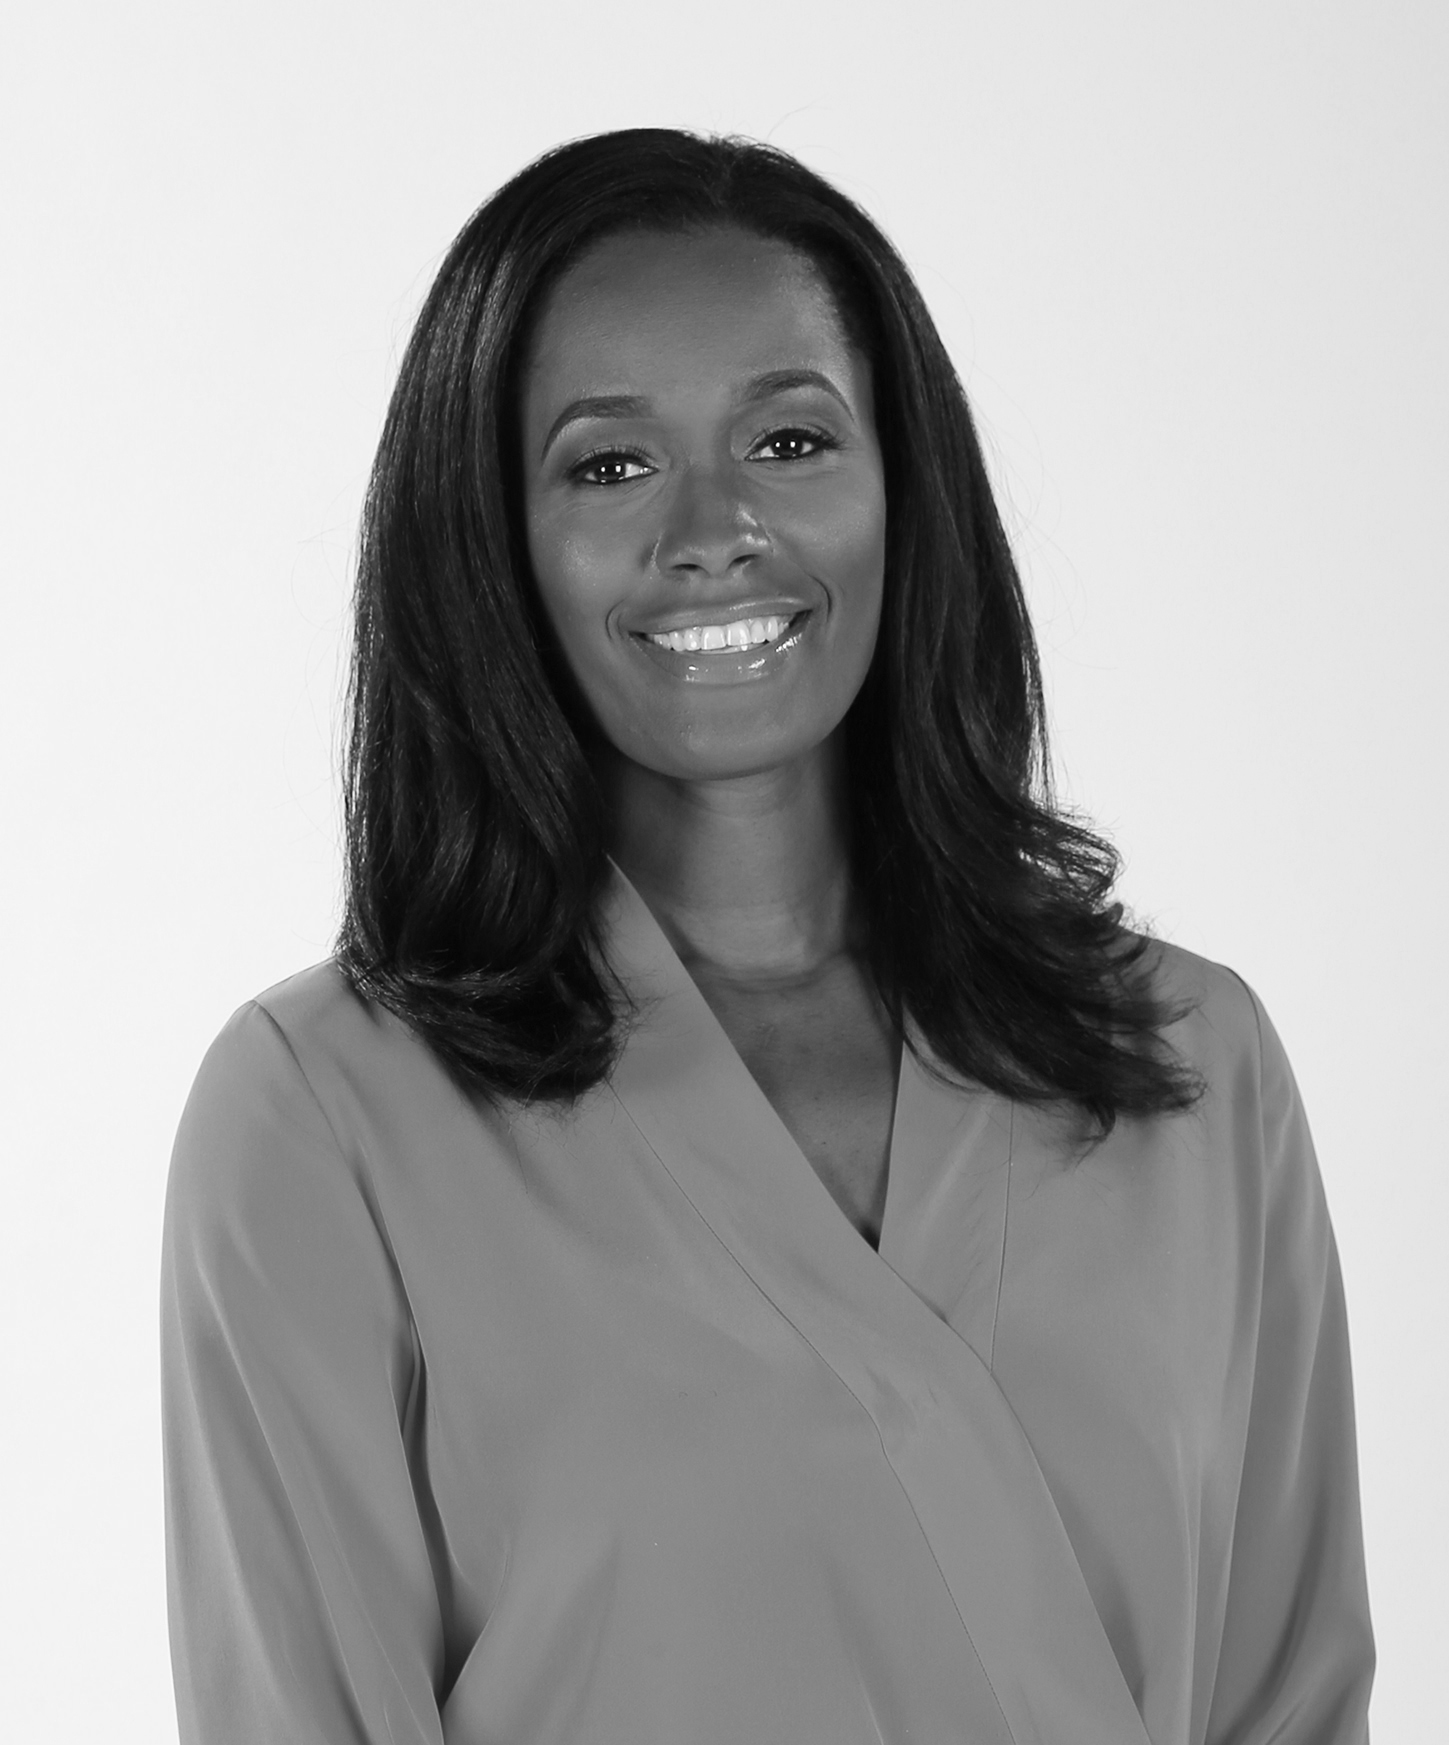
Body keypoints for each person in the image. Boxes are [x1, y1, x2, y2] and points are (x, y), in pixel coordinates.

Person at [160, 128, 1374, 1744]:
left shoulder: (1192, 1067)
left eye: (790, 439)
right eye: (607, 465)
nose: (711, 528)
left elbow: (1290, 1701)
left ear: (901, 484)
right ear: (489, 541)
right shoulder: (323, 1118)